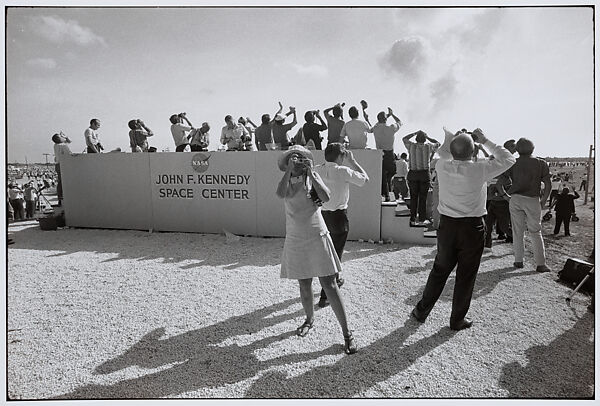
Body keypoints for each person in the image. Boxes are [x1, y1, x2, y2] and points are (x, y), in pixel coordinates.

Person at [411, 128, 516, 330]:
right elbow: (509, 158)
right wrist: (484, 140)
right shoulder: (480, 169)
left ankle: (421, 311)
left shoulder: (442, 165)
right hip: (472, 227)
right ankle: (457, 319)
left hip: (447, 226)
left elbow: (445, 152)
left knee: (439, 271)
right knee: (466, 275)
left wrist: (455, 138)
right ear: (473, 151)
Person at [276, 145, 357, 355]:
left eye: (300, 157)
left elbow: (327, 197)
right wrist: (288, 172)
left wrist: (312, 173)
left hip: (315, 233)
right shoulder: (287, 179)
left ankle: (347, 333)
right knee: (304, 284)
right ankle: (309, 320)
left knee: (329, 284)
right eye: (292, 157)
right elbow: (280, 193)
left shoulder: (312, 177)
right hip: (295, 235)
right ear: (287, 162)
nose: (296, 160)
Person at [314, 143, 369, 308]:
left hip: (321, 216)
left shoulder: (316, 169)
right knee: (335, 255)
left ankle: (335, 279)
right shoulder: (343, 171)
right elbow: (365, 179)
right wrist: (353, 162)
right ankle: (325, 296)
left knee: (327, 253)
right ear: (340, 157)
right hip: (339, 217)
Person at [503, 138, 552, 273]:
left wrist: (505, 196)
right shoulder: (541, 163)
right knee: (535, 231)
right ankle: (540, 264)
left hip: (516, 198)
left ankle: (518, 260)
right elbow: (548, 184)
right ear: (533, 148)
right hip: (532, 198)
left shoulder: (513, 163)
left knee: (517, 231)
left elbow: (501, 180)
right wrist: (544, 200)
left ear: (517, 150)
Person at [402, 130, 440, 226]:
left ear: (416, 138)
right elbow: (438, 143)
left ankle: (413, 218)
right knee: (423, 198)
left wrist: (414, 133)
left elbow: (404, 138)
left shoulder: (411, 146)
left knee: (413, 197)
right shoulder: (428, 146)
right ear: (424, 139)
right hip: (424, 174)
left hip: (413, 174)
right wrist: (428, 137)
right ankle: (422, 219)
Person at [373, 108, 403, 201]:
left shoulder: (376, 128)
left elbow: (377, 124)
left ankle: (385, 191)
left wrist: (387, 116)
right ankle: (386, 193)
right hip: (389, 154)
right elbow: (399, 122)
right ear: (386, 119)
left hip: (379, 154)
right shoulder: (391, 128)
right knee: (391, 172)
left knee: (383, 176)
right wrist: (392, 114)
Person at [52, 132, 72, 205]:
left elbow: (69, 141)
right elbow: (69, 154)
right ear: (58, 139)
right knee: (63, 181)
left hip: (58, 164)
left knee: (60, 181)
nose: (62, 137)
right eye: (60, 137)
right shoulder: (63, 145)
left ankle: (60, 197)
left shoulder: (56, 145)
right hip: (63, 165)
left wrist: (65, 137)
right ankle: (63, 197)